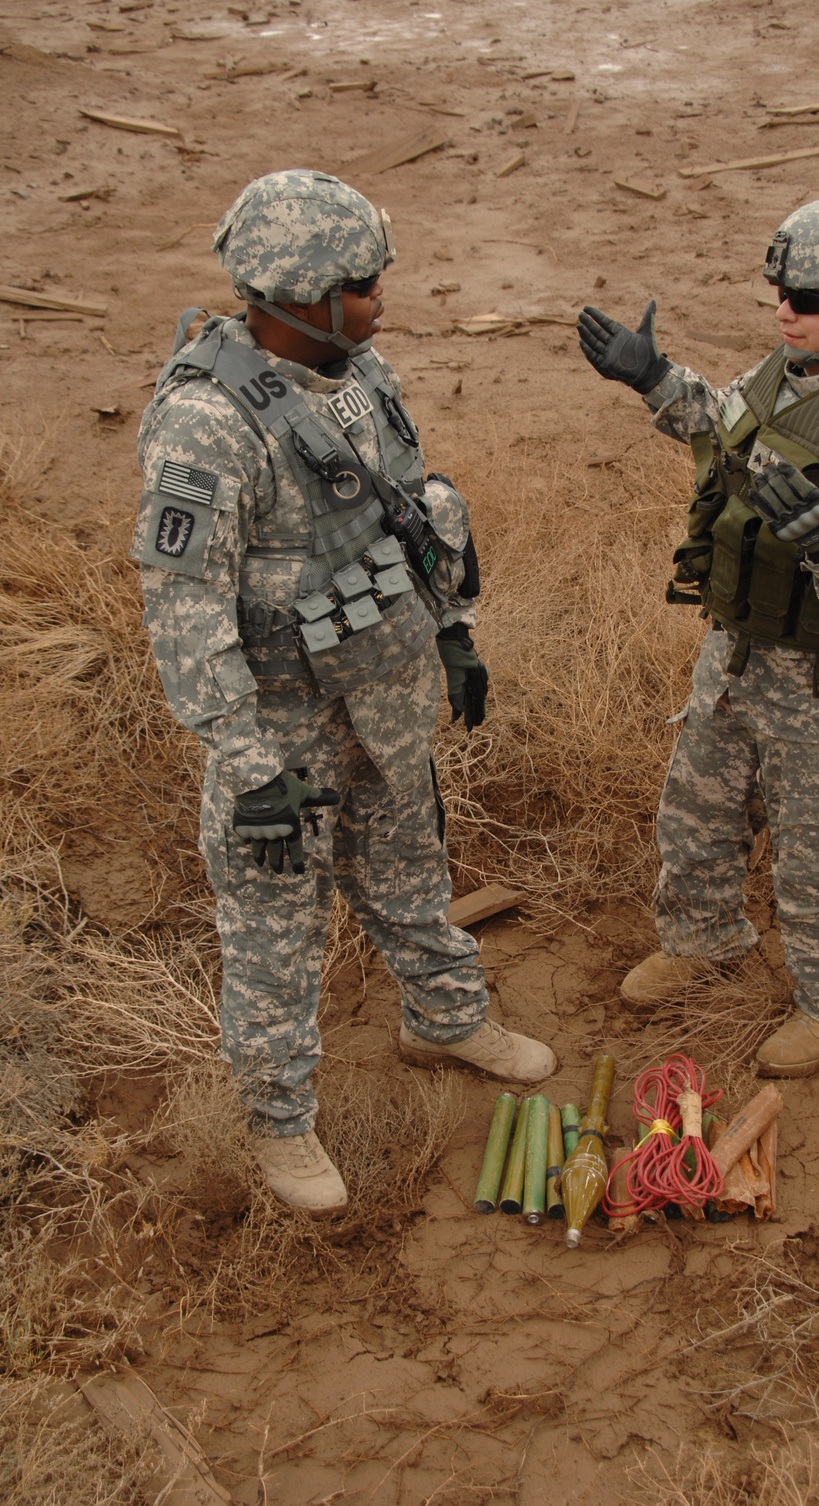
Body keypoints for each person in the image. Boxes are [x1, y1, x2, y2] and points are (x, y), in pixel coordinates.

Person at [132, 169, 555, 1215]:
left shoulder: (363, 376)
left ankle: (445, 1018)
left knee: (413, 874)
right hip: (279, 737)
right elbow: (184, 612)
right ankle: (279, 1122)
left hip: (383, 694)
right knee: (276, 937)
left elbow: (408, 514)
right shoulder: (206, 424)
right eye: (362, 285)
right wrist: (247, 765)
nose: (380, 300)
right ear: (296, 296)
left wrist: (452, 633)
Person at [578, 193, 819, 1078]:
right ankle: (703, 940)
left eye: (806, 298)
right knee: (699, 810)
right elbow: (728, 430)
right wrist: (654, 379)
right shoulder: (789, 374)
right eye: (779, 293)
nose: (783, 311)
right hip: (742, 647)